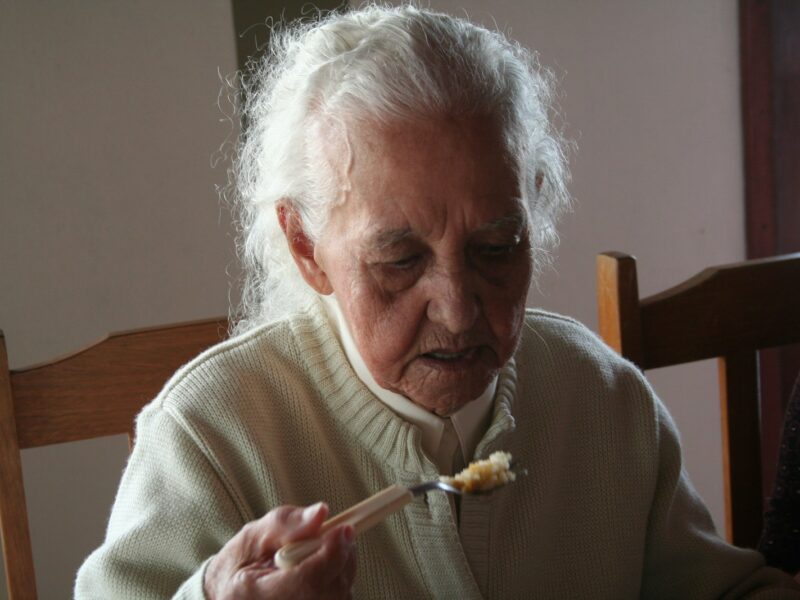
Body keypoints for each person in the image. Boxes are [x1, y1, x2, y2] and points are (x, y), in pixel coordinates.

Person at [75, 4, 800, 598]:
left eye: (496, 249)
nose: (458, 308)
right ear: (305, 246)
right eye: (399, 259)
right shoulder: (213, 435)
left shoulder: (602, 398)